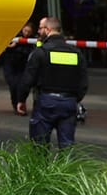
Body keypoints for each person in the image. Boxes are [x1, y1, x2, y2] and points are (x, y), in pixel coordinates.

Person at [19, 16, 87, 147]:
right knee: (67, 147)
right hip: (69, 102)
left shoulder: (41, 53)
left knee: (39, 146)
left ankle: (41, 168)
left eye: (40, 28)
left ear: (48, 29)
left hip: (45, 102)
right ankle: (66, 168)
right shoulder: (76, 53)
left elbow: (28, 79)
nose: (38, 32)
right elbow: (83, 83)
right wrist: (74, 99)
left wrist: (21, 99)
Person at [0, 21, 36, 115]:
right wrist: (11, 46)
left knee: (22, 86)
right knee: (13, 85)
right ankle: (16, 104)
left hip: (23, 66)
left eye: (29, 32)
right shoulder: (14, 37)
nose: (26, 33)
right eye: (25, 30)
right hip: (11, 64)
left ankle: (20, 104)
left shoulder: (32, 41)